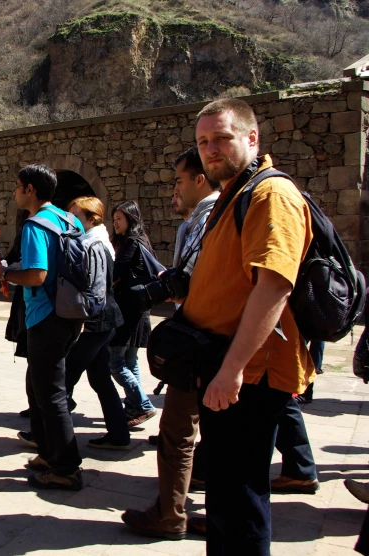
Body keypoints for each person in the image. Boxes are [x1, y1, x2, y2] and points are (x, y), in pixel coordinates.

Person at [175, 98, 314, 555]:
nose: (210, 150)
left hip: (249, 374)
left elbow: (273, 287)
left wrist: (232, 369)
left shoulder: (270, 194)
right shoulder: (237, 192)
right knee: (228, 498)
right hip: (223, 364)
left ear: (252, 138)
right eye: (203, 142)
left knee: (241, 500)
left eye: (222, 138)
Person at [123, 146, 220, 540]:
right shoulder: (226, 210)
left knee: (178, 432)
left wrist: (163, 288)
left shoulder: (208, 217)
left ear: (199, 179)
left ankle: (169, 514)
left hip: (204, 336)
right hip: (220, 337)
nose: (174, 189)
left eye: (179, 180)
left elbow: (188, 283)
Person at [0, 164, 84, 491]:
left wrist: (5, 274)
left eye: (18, 186)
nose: (15, 192)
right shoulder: (69, 219)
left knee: (51, 394)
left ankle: (66, 467)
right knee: (40, 388)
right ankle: (48, 453)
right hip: (71, 314)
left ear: (30, 189)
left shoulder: (34, 225)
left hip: (45, 316)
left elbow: (36, 275)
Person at [63, 196, 130, 450]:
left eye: (77, 216)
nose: (72, 221)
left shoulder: (93, 244)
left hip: (96, 322)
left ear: (92, 219)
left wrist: (82, 319)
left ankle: (51, 438)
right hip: (104, 320)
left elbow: (95, 290)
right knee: (100, 378)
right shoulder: (95, 241)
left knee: (65, 377)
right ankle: (119, 435)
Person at [109, 201, 157, 427]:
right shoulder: (143, 240)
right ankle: (134, 406)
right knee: (130, 359)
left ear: (130, 219)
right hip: (140, 310)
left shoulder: (131, 243)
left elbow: (116, 272)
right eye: (114, 218)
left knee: (114, 361)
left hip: (128, 310)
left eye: (119, 218)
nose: (115, 223)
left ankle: (143, 404)